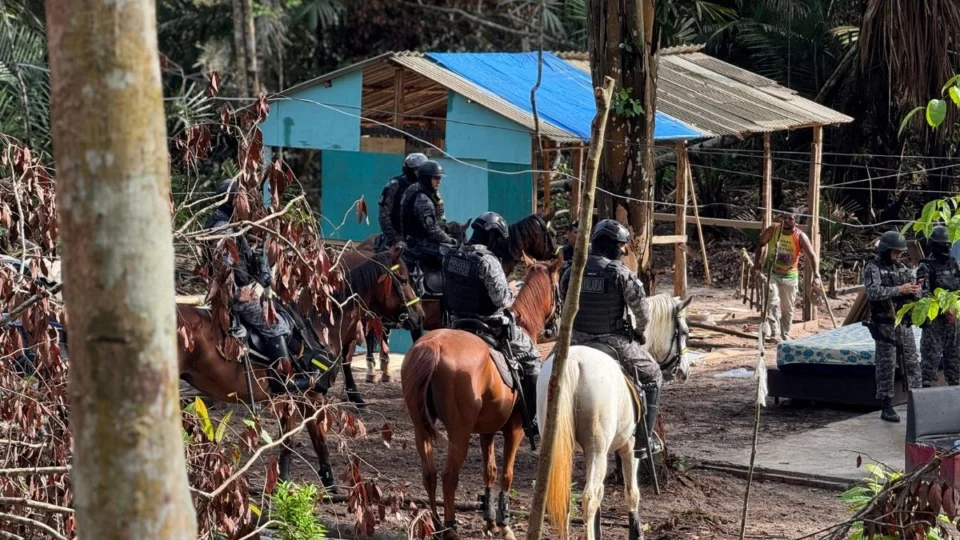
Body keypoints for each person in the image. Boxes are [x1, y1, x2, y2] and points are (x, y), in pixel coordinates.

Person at [560, 218, 663, 457]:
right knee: (653, 374)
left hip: (575, 339)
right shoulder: (621, 274)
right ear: (610, 245)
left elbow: (563, 304)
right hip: (612, 341)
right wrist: (639, 332)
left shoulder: (571, 270)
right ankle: (642, 441)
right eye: (621, 245)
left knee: (546, 370)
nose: (624, 249)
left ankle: (537, 421)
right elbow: (643, 312)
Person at [205, 179, 315, 390]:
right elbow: (226, 268)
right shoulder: (222, 228)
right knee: (275, 324)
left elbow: (250, 259)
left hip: (243, 287)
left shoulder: (232, 223)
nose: (247, 203)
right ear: (232, 200)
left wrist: (266, 278)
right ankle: (283, 381)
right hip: (235, 294)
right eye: (242, 199)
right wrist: (241, 293)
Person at [442, 211, 541, 438]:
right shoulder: (488, 261)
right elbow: (502, 300)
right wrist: (512, 291)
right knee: (532, 357)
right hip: (488, 324)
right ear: (493, 237)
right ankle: (531, 419)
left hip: (457, 322)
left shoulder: (451, 255)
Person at [863, 230, 922, 422]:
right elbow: (873, 292)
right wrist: (899, 289)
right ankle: (886, 405)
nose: (898, 255)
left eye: (900, 252)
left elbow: (913, 289)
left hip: (903, 322)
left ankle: (917, 401)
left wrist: (914, 290)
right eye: (895, 252)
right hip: (884, 324)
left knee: (912, 363)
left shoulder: (902, 267)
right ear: (886, 250)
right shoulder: (873, 268)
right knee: (886, 365)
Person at [753, 208, 821, 341]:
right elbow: (761, 244)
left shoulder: (800, 236)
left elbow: (812, 256)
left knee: (788, 308)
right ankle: (775, 332)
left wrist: (816, 275)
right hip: (771, 272)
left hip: (790, 276)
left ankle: (785, 333)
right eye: (785, 217)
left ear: (796, 221)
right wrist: (757, 264)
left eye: (790, 218)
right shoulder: (773, 230)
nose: (787, 221)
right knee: (771, 301)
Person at [917, 225, 960, 387]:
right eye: (943, 245)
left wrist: (955, 307)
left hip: (954, 319)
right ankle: (926, 398)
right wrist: (944, 308)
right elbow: (923, 293)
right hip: (934, 321)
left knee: (955, 360)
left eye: (948, 245)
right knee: (930, 361)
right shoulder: (925, 266)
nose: (947, 249)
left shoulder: (954, 264)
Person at [400, 160, 456, 273]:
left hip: (411, 239)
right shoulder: (423, 200)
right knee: (453, 256)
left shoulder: (415, 188)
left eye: (439, 178)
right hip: (418, 245)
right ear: (426, 178)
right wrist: (451, 241)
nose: (439, 181)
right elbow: (433, 230)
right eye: (435, 178)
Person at [376, 152, 428, 251]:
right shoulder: (395, 185)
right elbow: (384, 216)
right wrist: (396, 239)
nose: (419, 173)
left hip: (421, 240)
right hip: (397, 238)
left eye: (422, 169)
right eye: (416, 169)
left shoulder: (428, 187)